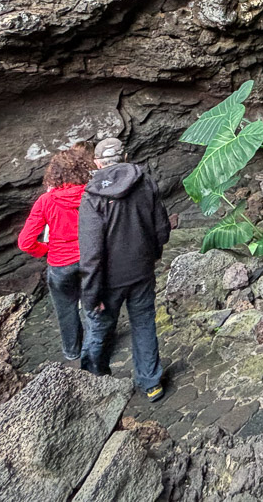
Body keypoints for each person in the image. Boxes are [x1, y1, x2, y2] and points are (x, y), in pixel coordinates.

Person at [79, 137, 173, 402]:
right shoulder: (146, 183)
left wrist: (91, 294)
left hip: (108, 280)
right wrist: (153, 255)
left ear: (97, 162)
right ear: (125, 156)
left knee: (99, 329)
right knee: (144, 324)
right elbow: (161, 229)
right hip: (142, 271)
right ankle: (151, 382)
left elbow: (91, 252)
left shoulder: (91, 196)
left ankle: (94, 384)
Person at [18, 148, 98, 362]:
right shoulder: (92, 193)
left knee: (66, 309)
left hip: (60, 264)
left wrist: (47, 249)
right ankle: (96, 347)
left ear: (53, 175)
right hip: (90, 259)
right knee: (92, 304)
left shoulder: (46, 201)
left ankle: (73, 351)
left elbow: (25, 242)